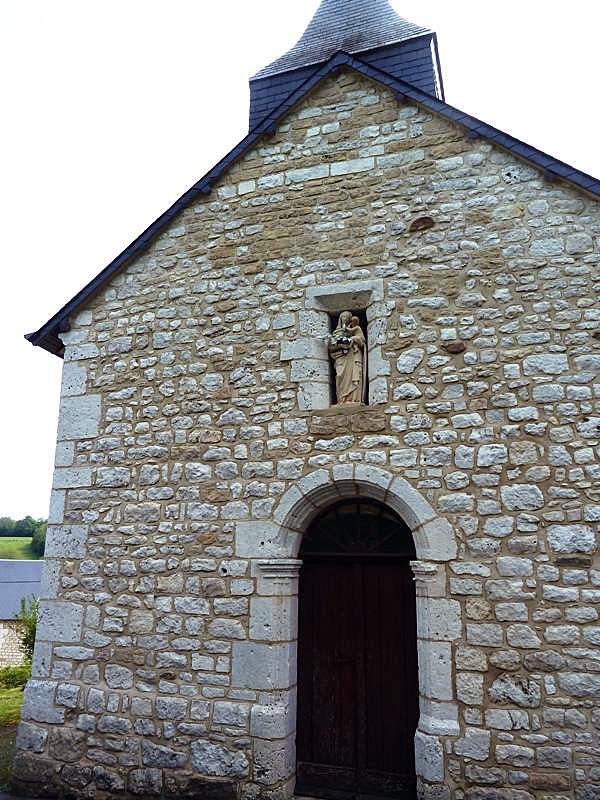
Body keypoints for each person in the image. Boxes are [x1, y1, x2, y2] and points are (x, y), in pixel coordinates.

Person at [328, 311, 366, 404]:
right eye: (342, 317)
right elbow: (331, 346)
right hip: (341, 358)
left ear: (350, 319)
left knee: (355, 375)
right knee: (340, 376)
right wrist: (341, 344)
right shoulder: (336, 333)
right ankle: (341, 400)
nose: (344, 318)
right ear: (340, 319)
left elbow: (362, 342)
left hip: (353, 355)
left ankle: (354, 399)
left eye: (346, 317)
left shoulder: (355, 329)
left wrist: (352, 339)